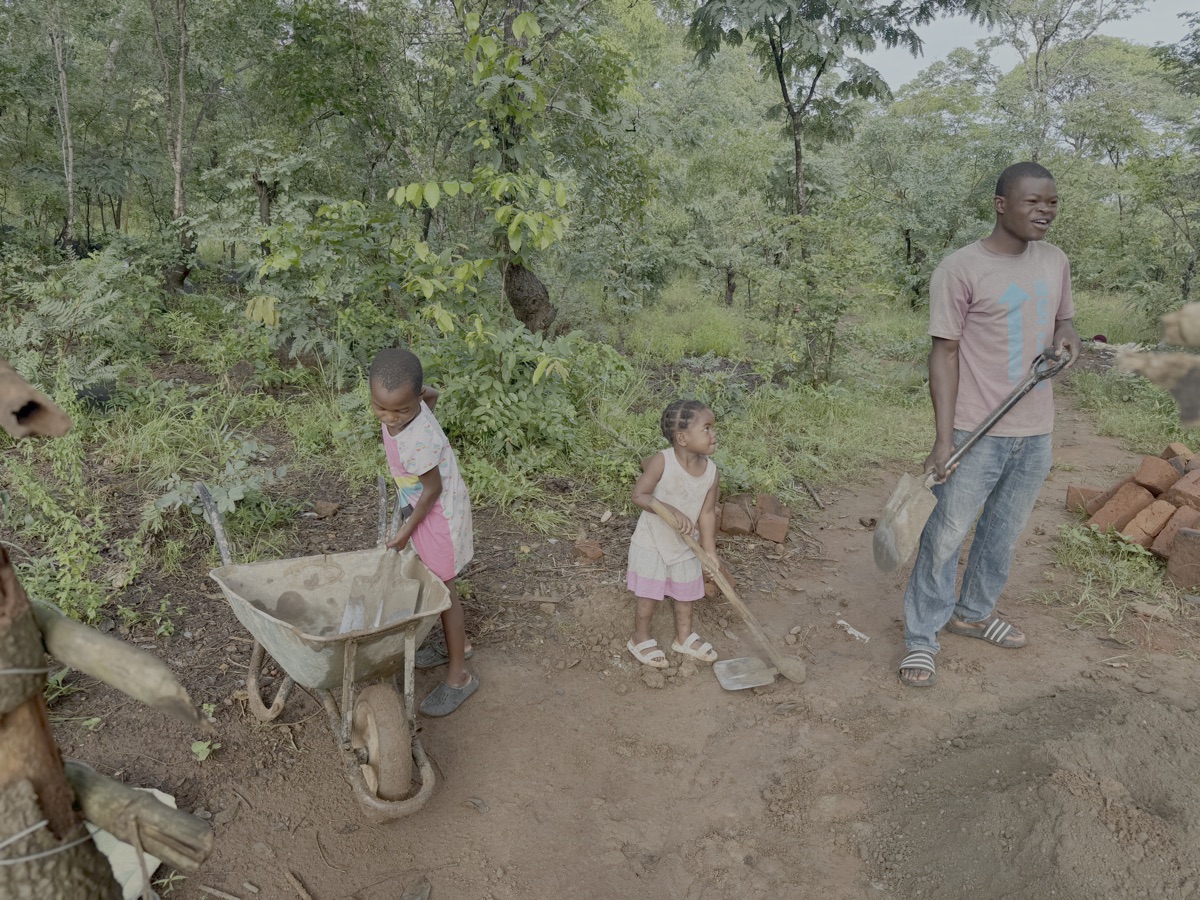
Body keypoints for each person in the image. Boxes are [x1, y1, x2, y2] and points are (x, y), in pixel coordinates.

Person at [898, 161, 1082, 688]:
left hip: (1035, 428)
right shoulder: (960, 268)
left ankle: (973, 613)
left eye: (1052, 203)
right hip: (976, 431)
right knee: (946, 534)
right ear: (1001, 204)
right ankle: (920, 637)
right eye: (1033, 202)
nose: (1045, 211)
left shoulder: (1055, 261)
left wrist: (1067, 336)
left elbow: (1064, 320)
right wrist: (942, 439)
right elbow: (944, 355)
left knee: (1003, 532)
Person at [369, 347, 478, 715]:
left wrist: (404, 532)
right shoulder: (410, 406)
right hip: (425, 511)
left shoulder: (416, 441)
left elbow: (432, 490)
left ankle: (460, 672)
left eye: (401, 410)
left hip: (438, 517)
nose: (390, 418)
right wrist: (414, 407)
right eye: (381, 408)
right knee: (435, 582)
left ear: (415, 398)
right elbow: (432, 395)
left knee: (444, 590)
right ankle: (454, 645)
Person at [626, 399, 723, 668]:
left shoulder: (711, 472)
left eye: (713, 428)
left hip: (684, 544)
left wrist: (709, 551)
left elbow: (706, 513)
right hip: (652, 541)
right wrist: (667, 508)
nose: (713, 434)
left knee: (685, 594)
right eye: (706, 428)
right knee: (648, 594)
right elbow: (639, 495)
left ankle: (684, 637)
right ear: (682, 437)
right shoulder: (662, 461)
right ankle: (640, 637)